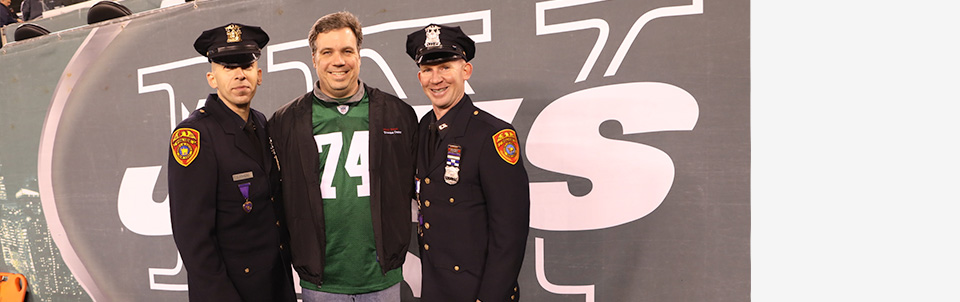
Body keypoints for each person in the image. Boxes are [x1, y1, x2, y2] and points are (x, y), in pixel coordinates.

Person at [268, 11, 417, 301]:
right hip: (320, 284)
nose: (339, 61)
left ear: (359, 55)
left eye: (347, 51)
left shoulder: (398, 114)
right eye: (327, 52)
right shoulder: (284, 122)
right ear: (314, 59)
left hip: (382, 280)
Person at [167, 23, 296, 302]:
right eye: (228, 67)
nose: (240, 75)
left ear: (258, 75)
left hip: (275, 285)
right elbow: (193, 240)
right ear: (212, 78)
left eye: (247, 66)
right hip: (230, 292)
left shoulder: (262, 123)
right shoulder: (194, 135)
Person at [405, 24, 531, 302]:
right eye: (428, 70)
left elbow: (510, 233)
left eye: (445, 67)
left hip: (479, 291)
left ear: (466, 71)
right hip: (435, 289)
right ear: (419, 76)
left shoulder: (492, 135)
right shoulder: (423, 127)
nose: (436, 79)